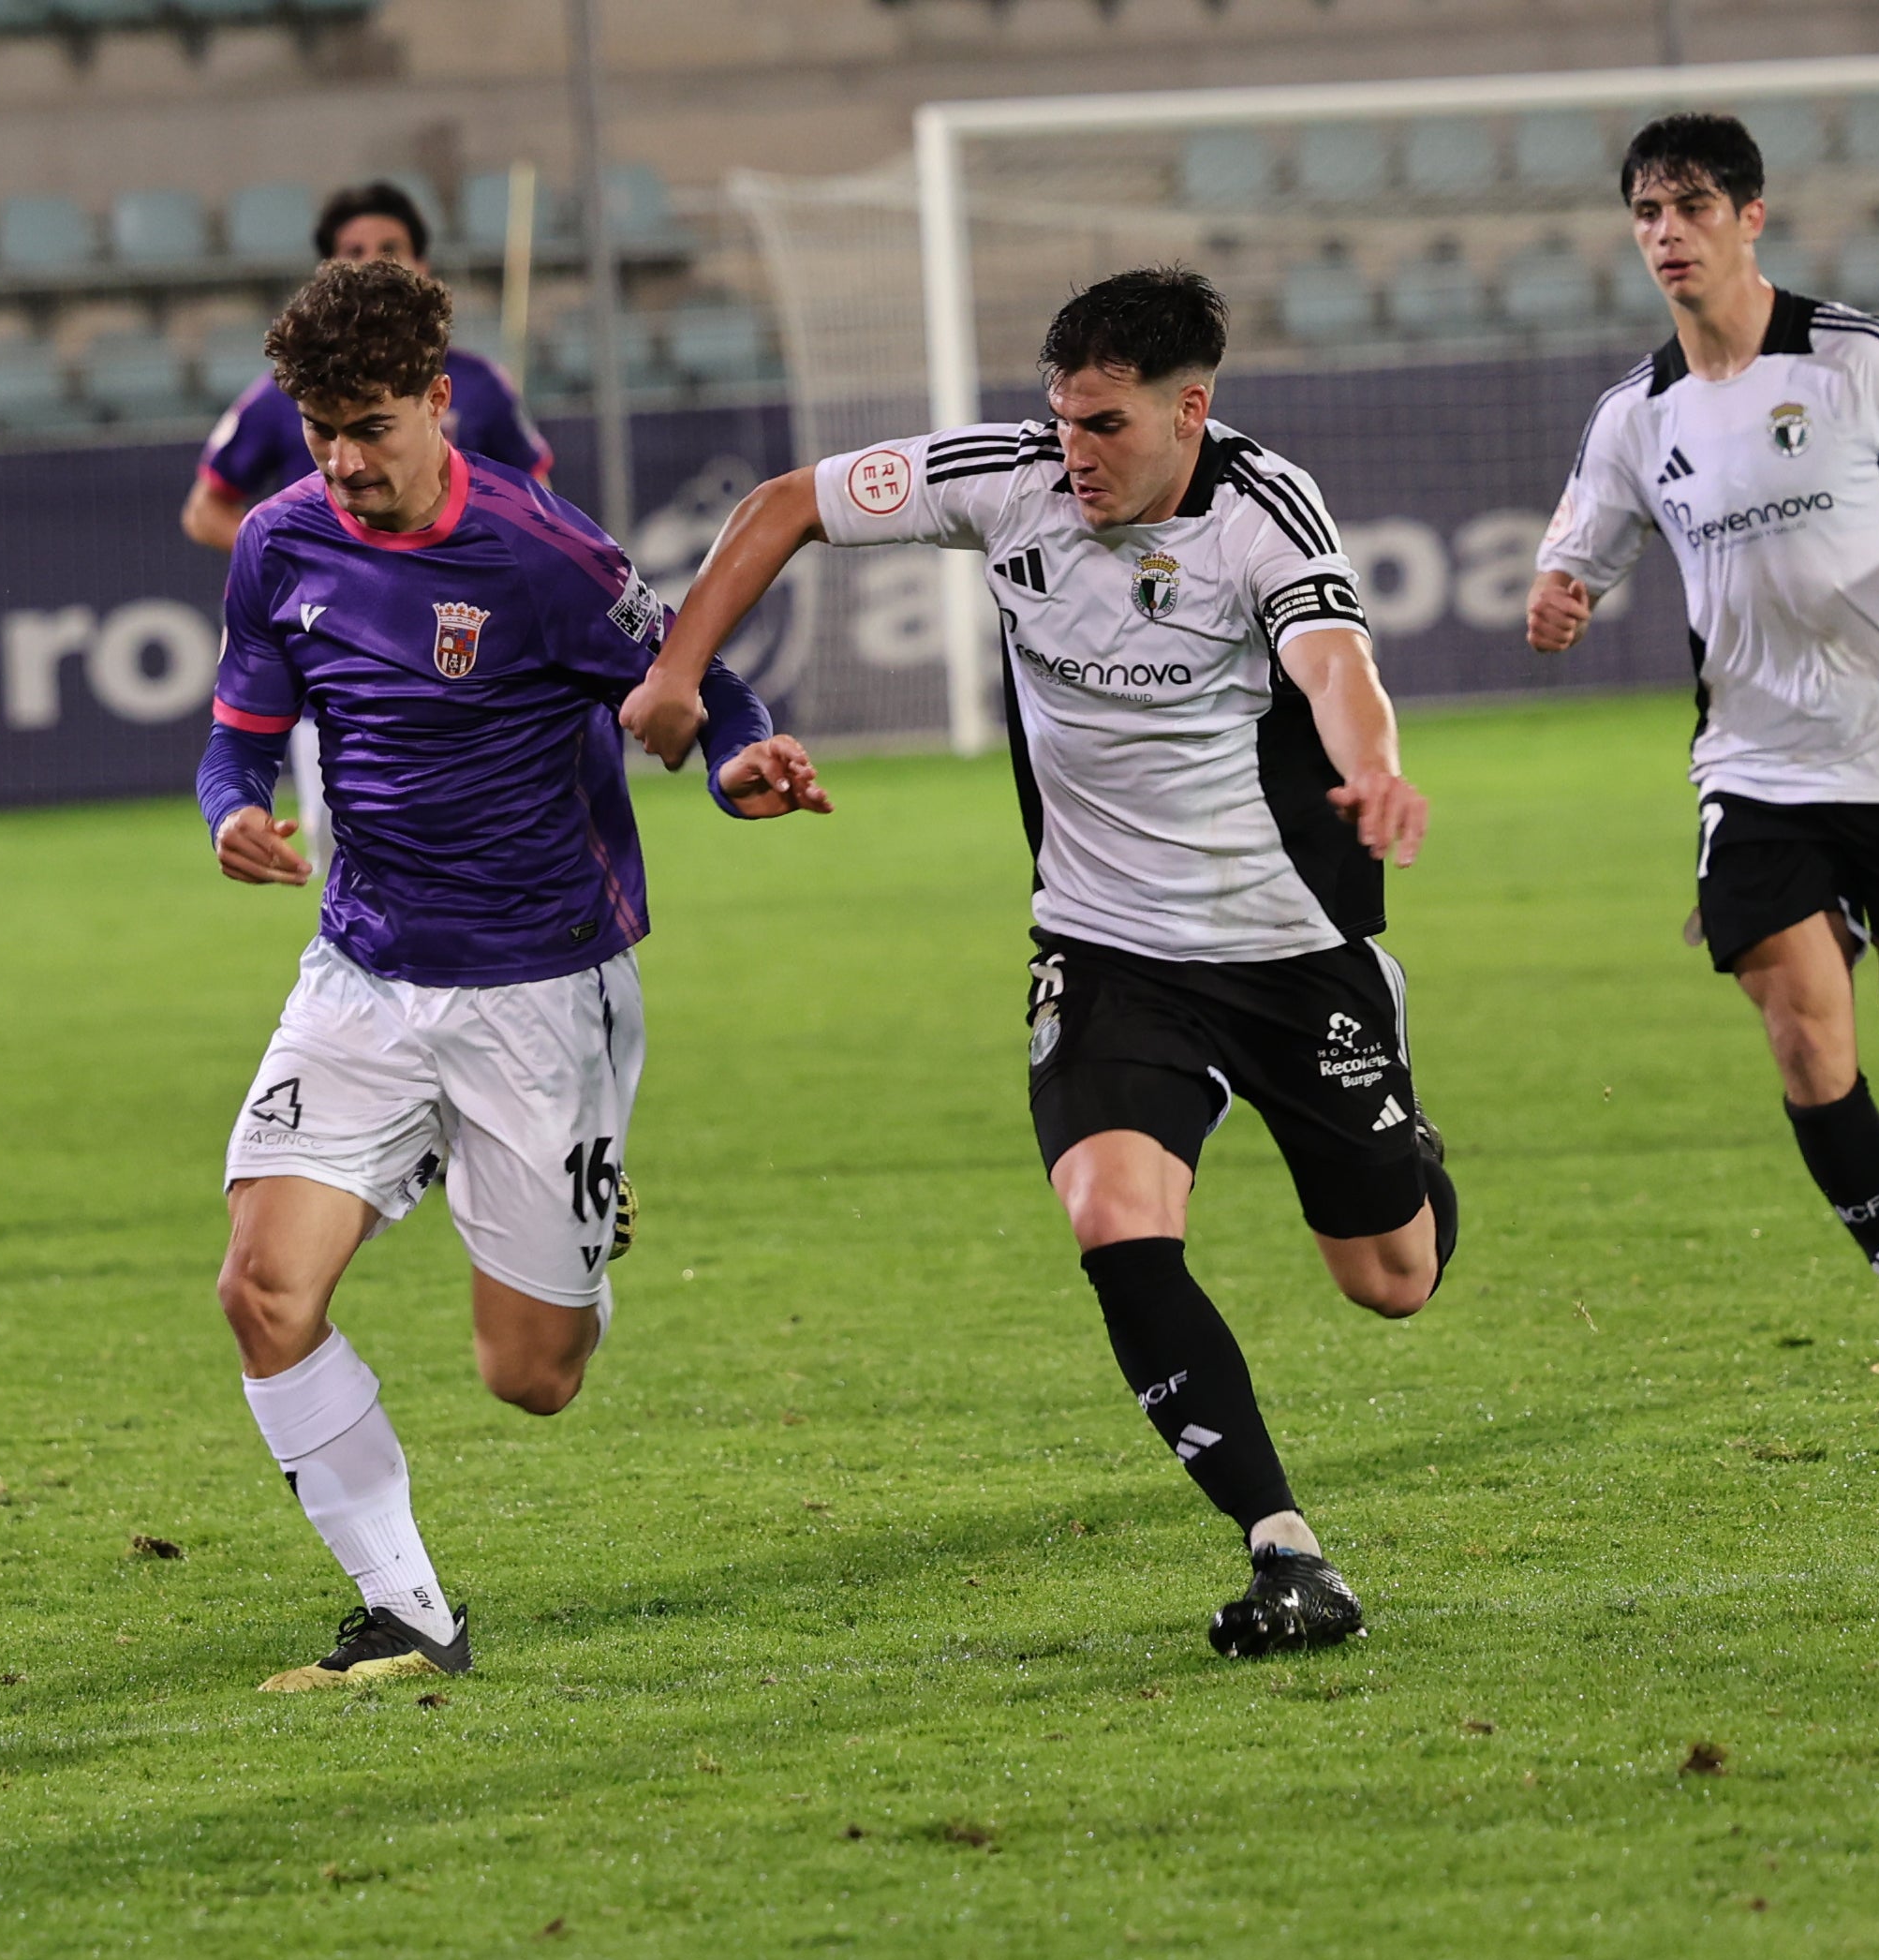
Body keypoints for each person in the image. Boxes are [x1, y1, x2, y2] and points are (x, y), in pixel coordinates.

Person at [621, 266, 1455, 1661]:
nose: (1076, 452)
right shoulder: (1002, 480)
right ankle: (1283, 1548)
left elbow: (1333, 666)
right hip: (1105, 941)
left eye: (1108, 425)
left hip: (1284, 948)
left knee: (1389, 1277)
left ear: (1189, 413)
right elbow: (781, 506)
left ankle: (1404, 1134)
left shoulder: (1262, 515)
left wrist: (1373, 772)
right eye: (1063, 418)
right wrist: (680, 677)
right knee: (1111, 1220)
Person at [200, 259, 829, 1687]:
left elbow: (696, 682)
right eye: (320, 433)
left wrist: (742, 765)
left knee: (528, 1376)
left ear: (438, 401)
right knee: (260, 1290)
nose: (345, 464)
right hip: (359, 973)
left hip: (543, 993)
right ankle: (408, 1607)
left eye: (370, 426)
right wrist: (230, 808)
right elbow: (236, 725)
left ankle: (577, 1243)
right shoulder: (283, 543)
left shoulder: (541, 554)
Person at [1525, 111, 1879, 1374]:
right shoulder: (1632, 414)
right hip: (1752, 773)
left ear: (1748, 218)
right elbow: (1574, 551)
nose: (1666, 235)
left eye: (1691, 208)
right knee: (1804, 1034)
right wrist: (1556, 595)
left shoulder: (1848, 359)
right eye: (1646, 214)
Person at [185, 180, 555, 865]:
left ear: (423, 265)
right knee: (349, 850)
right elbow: (205, 507)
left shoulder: (479, 384)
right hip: (334, 659)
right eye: (352, 251)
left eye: (390, 248)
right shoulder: (279, 395)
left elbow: (540, 504)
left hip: (474, 652)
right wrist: (314, 566)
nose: (371, 262)